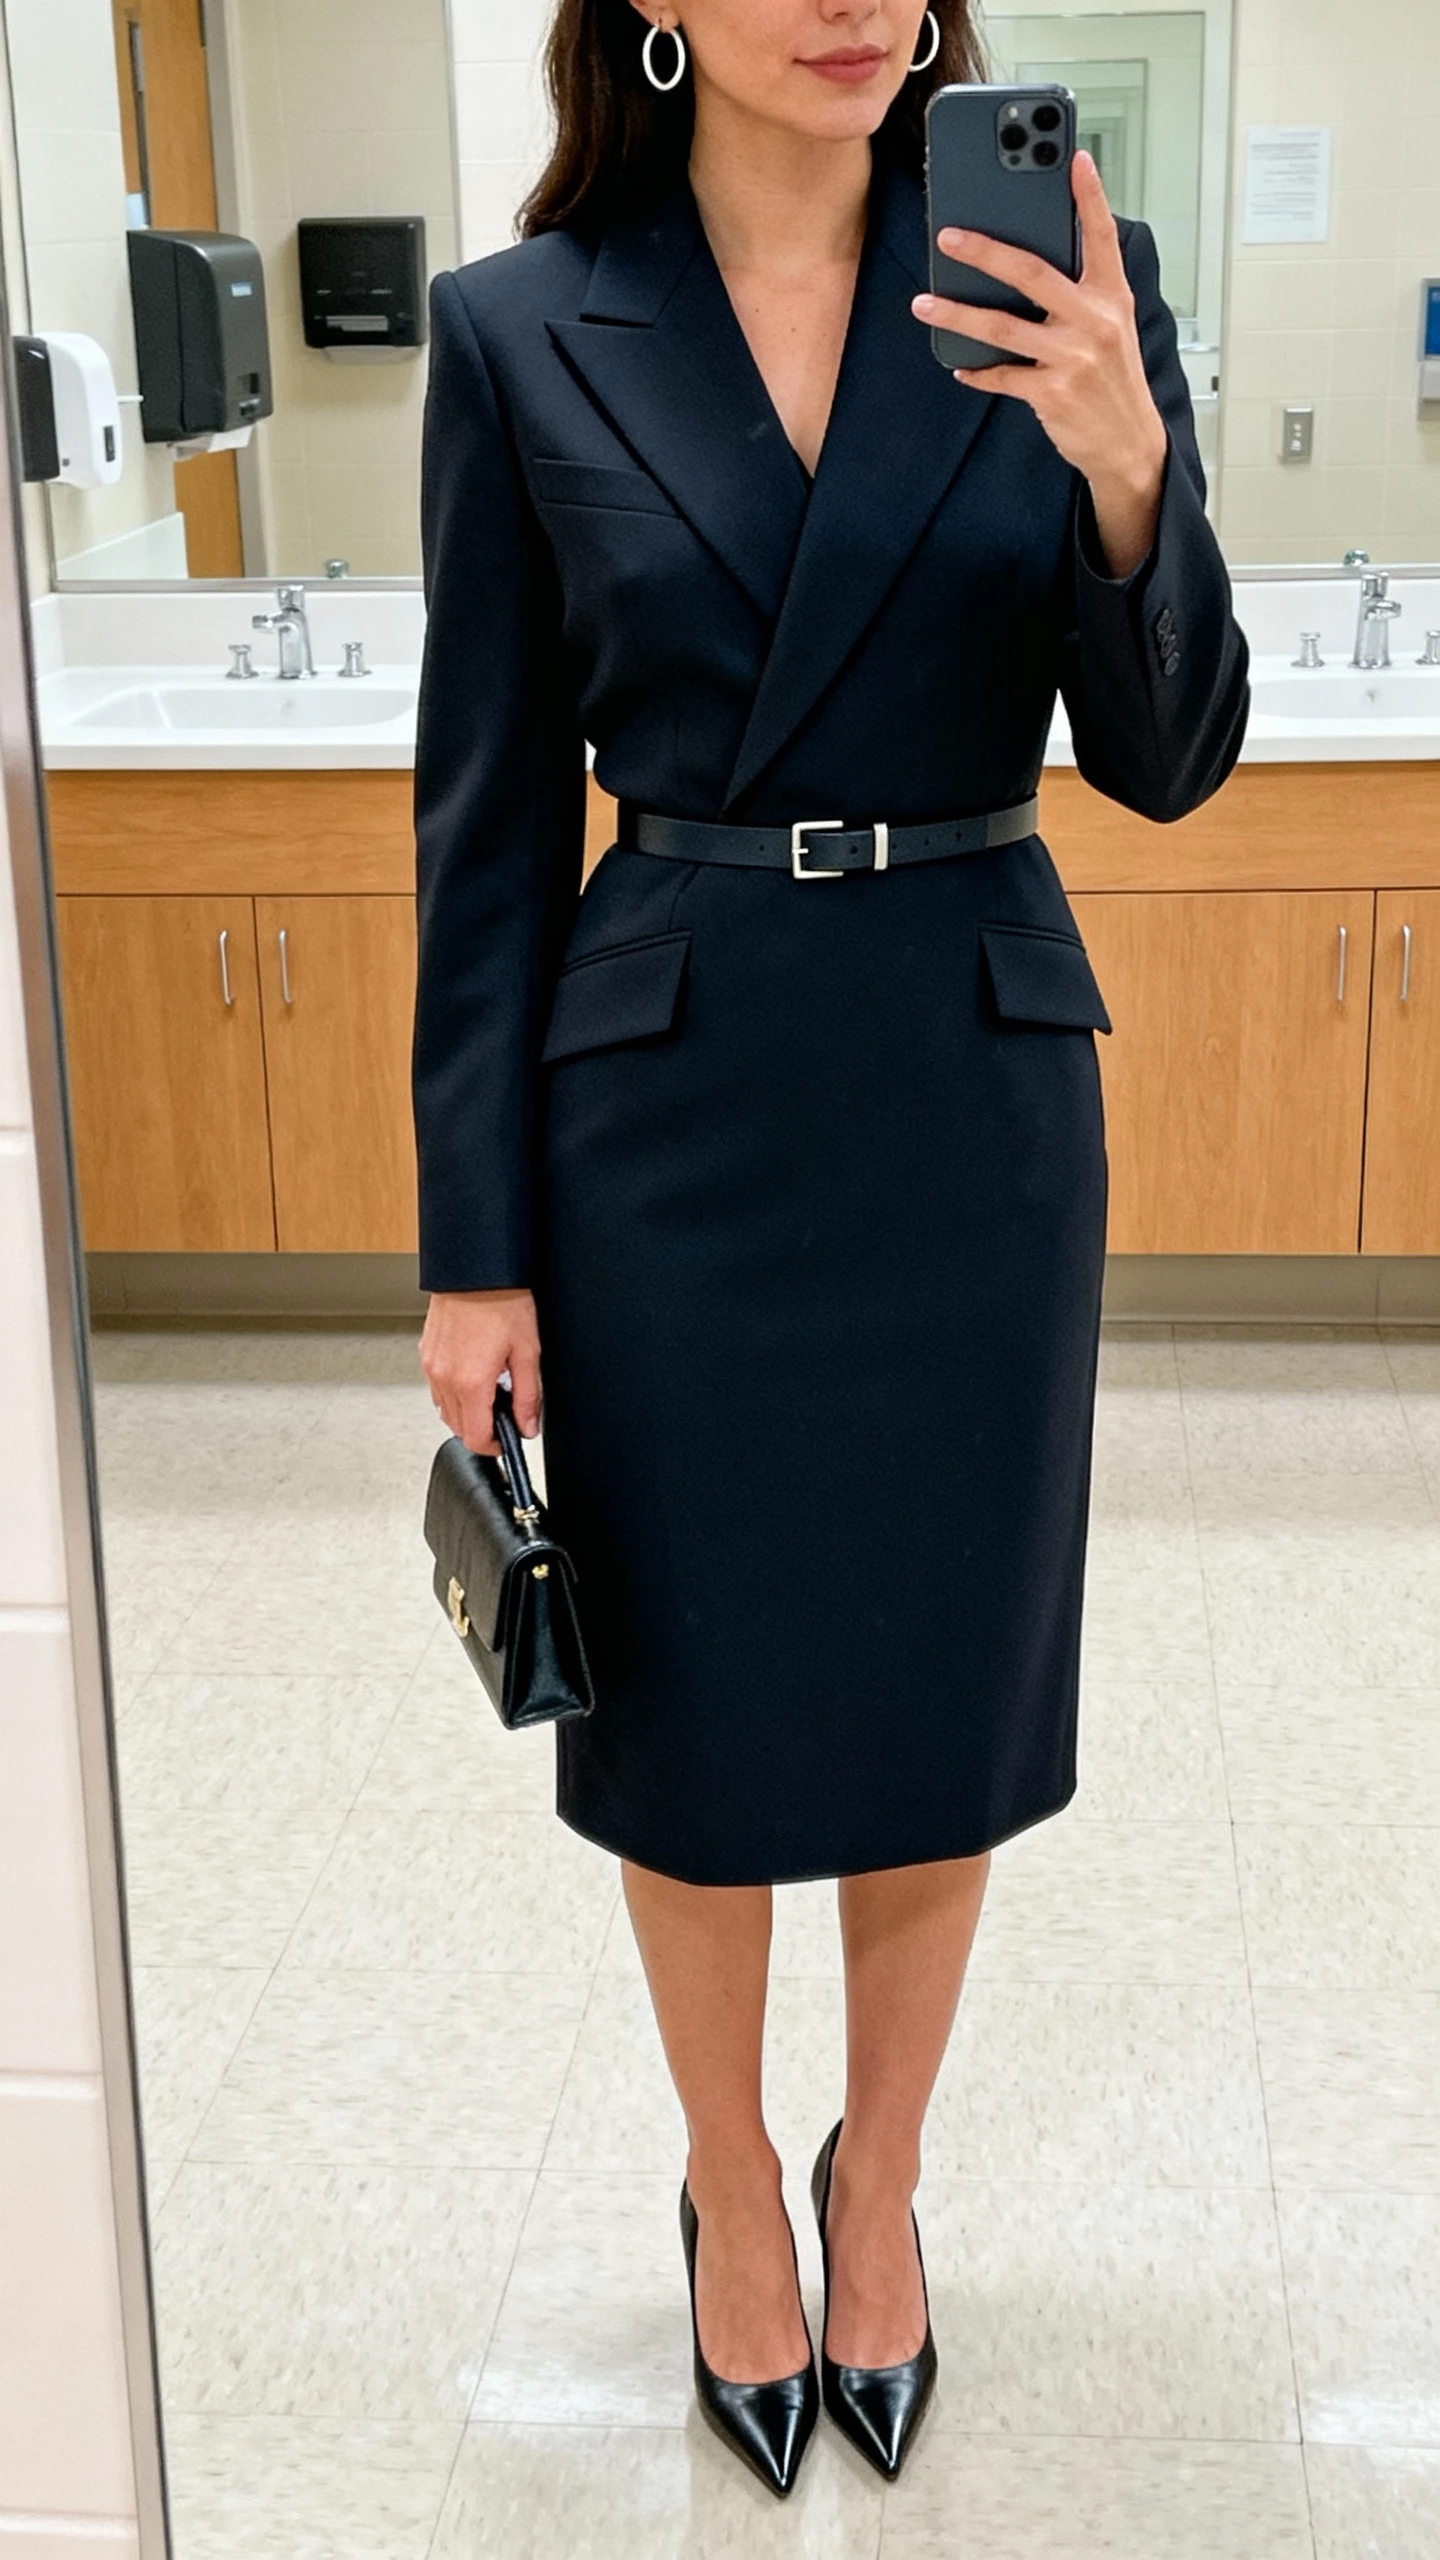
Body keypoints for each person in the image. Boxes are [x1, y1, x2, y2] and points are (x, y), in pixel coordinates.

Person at [414, 0, 1248, 2500]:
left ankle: (879, 2177)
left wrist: (1127, 479)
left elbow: (1175, 747)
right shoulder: (518, 328)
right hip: (666, 1109)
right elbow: (477, 833)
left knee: (927, 1683)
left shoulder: (1061, 281)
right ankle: (731, 2190)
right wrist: (476, 1250)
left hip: (969, 1088)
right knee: (679, 1704)